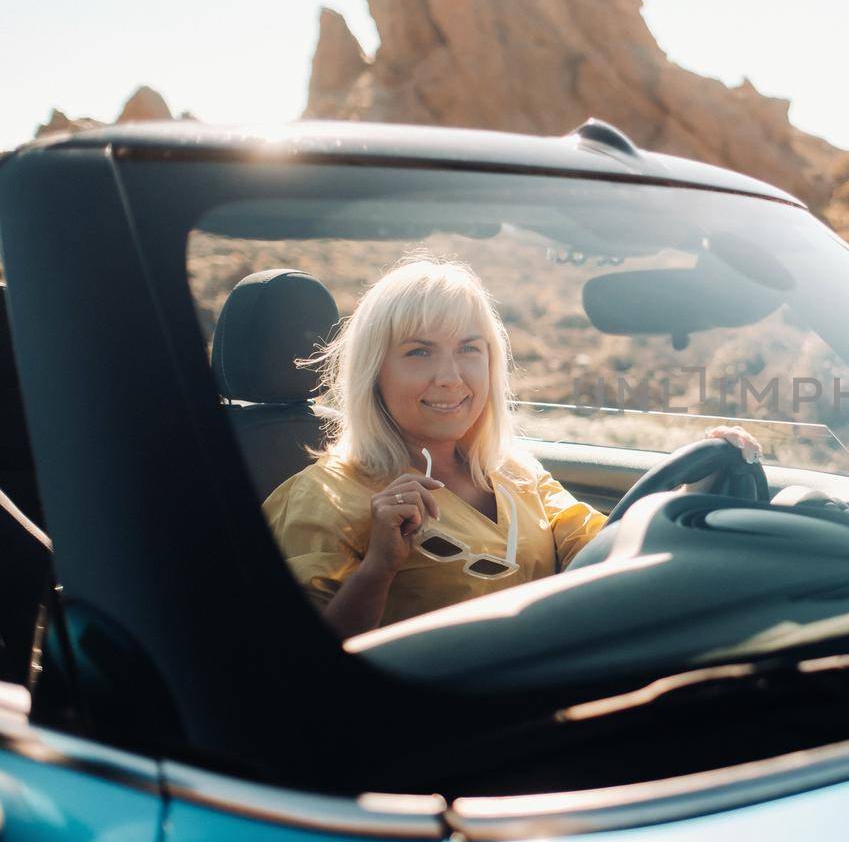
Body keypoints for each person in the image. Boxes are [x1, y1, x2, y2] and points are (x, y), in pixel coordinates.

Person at [262, 256, 760, 640]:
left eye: (469, 349)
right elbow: (302, 669)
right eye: (419, 352)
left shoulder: (516, 472)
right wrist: (379, 567)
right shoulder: (319, 499)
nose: (451, 377)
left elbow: (607, 550)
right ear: (374, 371)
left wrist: (694, 490)